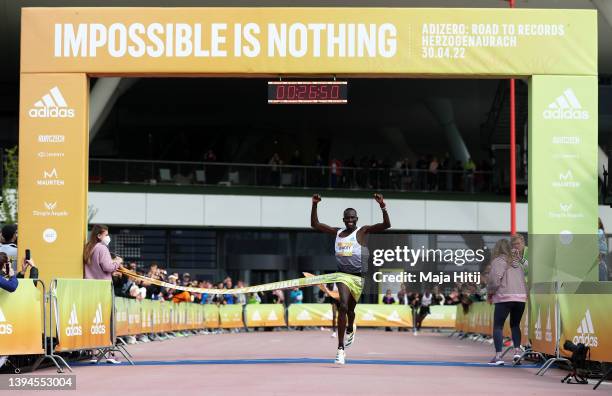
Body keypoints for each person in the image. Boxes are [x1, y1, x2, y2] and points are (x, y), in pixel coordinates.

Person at [311, 192, 391, 365]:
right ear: (343, 219)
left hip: (358, 277)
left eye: (352, 217)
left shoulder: (362, 231)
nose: (350, 220)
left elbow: (386, 225)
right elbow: (315, 224)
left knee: (351, 311)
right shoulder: (337, 232)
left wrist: (382, 205)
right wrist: (315, 204)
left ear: (356, 218)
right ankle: (340, 350)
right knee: (343, 306)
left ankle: (350, 327)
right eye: (347, 218)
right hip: (342, 275)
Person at [82, 225, 122, 364]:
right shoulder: (101, 248)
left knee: (94, 321)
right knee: (108, 320)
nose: (108, 237)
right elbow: (107, 267)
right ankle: (110, 353)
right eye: (106, 234)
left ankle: (94, 353)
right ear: (99, 235)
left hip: (90, 288)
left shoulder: (88, 247)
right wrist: (117, 262)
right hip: (103, 288)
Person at [486, 238, 528, 366]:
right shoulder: (518, 262)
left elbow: (494, 281)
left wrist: (490, 293)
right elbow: (529, 268)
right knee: (515, 325)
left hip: (504, 297)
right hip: (520, 298)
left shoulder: (498, 261)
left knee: (498, 326)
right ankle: (517, 352)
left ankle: (498, 356)